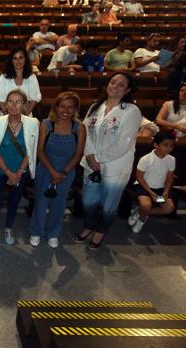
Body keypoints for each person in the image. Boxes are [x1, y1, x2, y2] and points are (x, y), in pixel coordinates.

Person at [76, 72, 142, 250]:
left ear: (127, 90)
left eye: (121, 85)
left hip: (115, 166)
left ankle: (100, 231)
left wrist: (97, 158)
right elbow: (84, 132)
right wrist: (90, 155)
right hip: (91, 163)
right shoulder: (95, 107)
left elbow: (124, 143)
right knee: (88, 201)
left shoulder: (131, 111)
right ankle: (89, 225)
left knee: (108, 205)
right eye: (113, 82)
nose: (115, 86)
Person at [28, 92, 86, 248]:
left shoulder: (79, 127)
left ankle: (53, 233)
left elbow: (78, 154)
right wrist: (53, 172)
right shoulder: (46, 124)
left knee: (59, 204)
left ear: (75, 109)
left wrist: (64, 173)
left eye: (70, 107)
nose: (65, 110)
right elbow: (40, 151)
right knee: (41, 201)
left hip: (67, 171)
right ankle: (36, 231)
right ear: (56, 107)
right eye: (62, 106)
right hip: (46, 168)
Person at [0, 90, 39, 245]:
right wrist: (9, 173)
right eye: (10, 101)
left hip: (20, 171)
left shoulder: (33, 123)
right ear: (6, 104)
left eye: (18, 102)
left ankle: (8, 227)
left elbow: (31, 150)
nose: (14, 105)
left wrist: (19, 173)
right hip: (0, 169)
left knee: (15, 200)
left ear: (25, 105)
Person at [127, 131, 176, 233]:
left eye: (171, 146)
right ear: (156, 145)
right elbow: (139, 177)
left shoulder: (172, 159)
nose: (169, 148)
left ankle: (140, 212)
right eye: (165, 145)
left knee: (169, 208)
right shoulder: (146, 159)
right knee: (146, 205)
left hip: (160, 189)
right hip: (144, 187)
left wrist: (166, 192)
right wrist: (151, 193)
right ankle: (142, 219)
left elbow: (169, 178)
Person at [0, 48, 42, 116]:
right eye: (15, 58)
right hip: (5, 115)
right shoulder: (4, 77)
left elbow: (34, 99)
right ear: (11, 61)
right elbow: (0, 100)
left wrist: (24, 118)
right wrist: (8, 118)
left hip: (26, 115)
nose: (18, 61)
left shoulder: (32, 77)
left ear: (25, 60)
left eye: (21, 57)